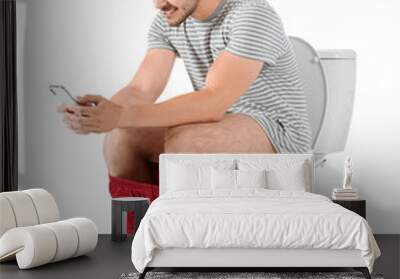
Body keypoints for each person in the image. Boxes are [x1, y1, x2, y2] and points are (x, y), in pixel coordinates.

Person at [58, 0, 312, 222]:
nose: (158, 4)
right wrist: (104, 112)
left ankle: (191, 239)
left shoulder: (251, 14)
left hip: (276, 130)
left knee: (188, 142)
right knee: (122, 137)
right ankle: (141, 238)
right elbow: (141, 89)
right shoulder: (169, 19)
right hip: (223, 120)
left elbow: (213, 102)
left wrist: (121, 115)